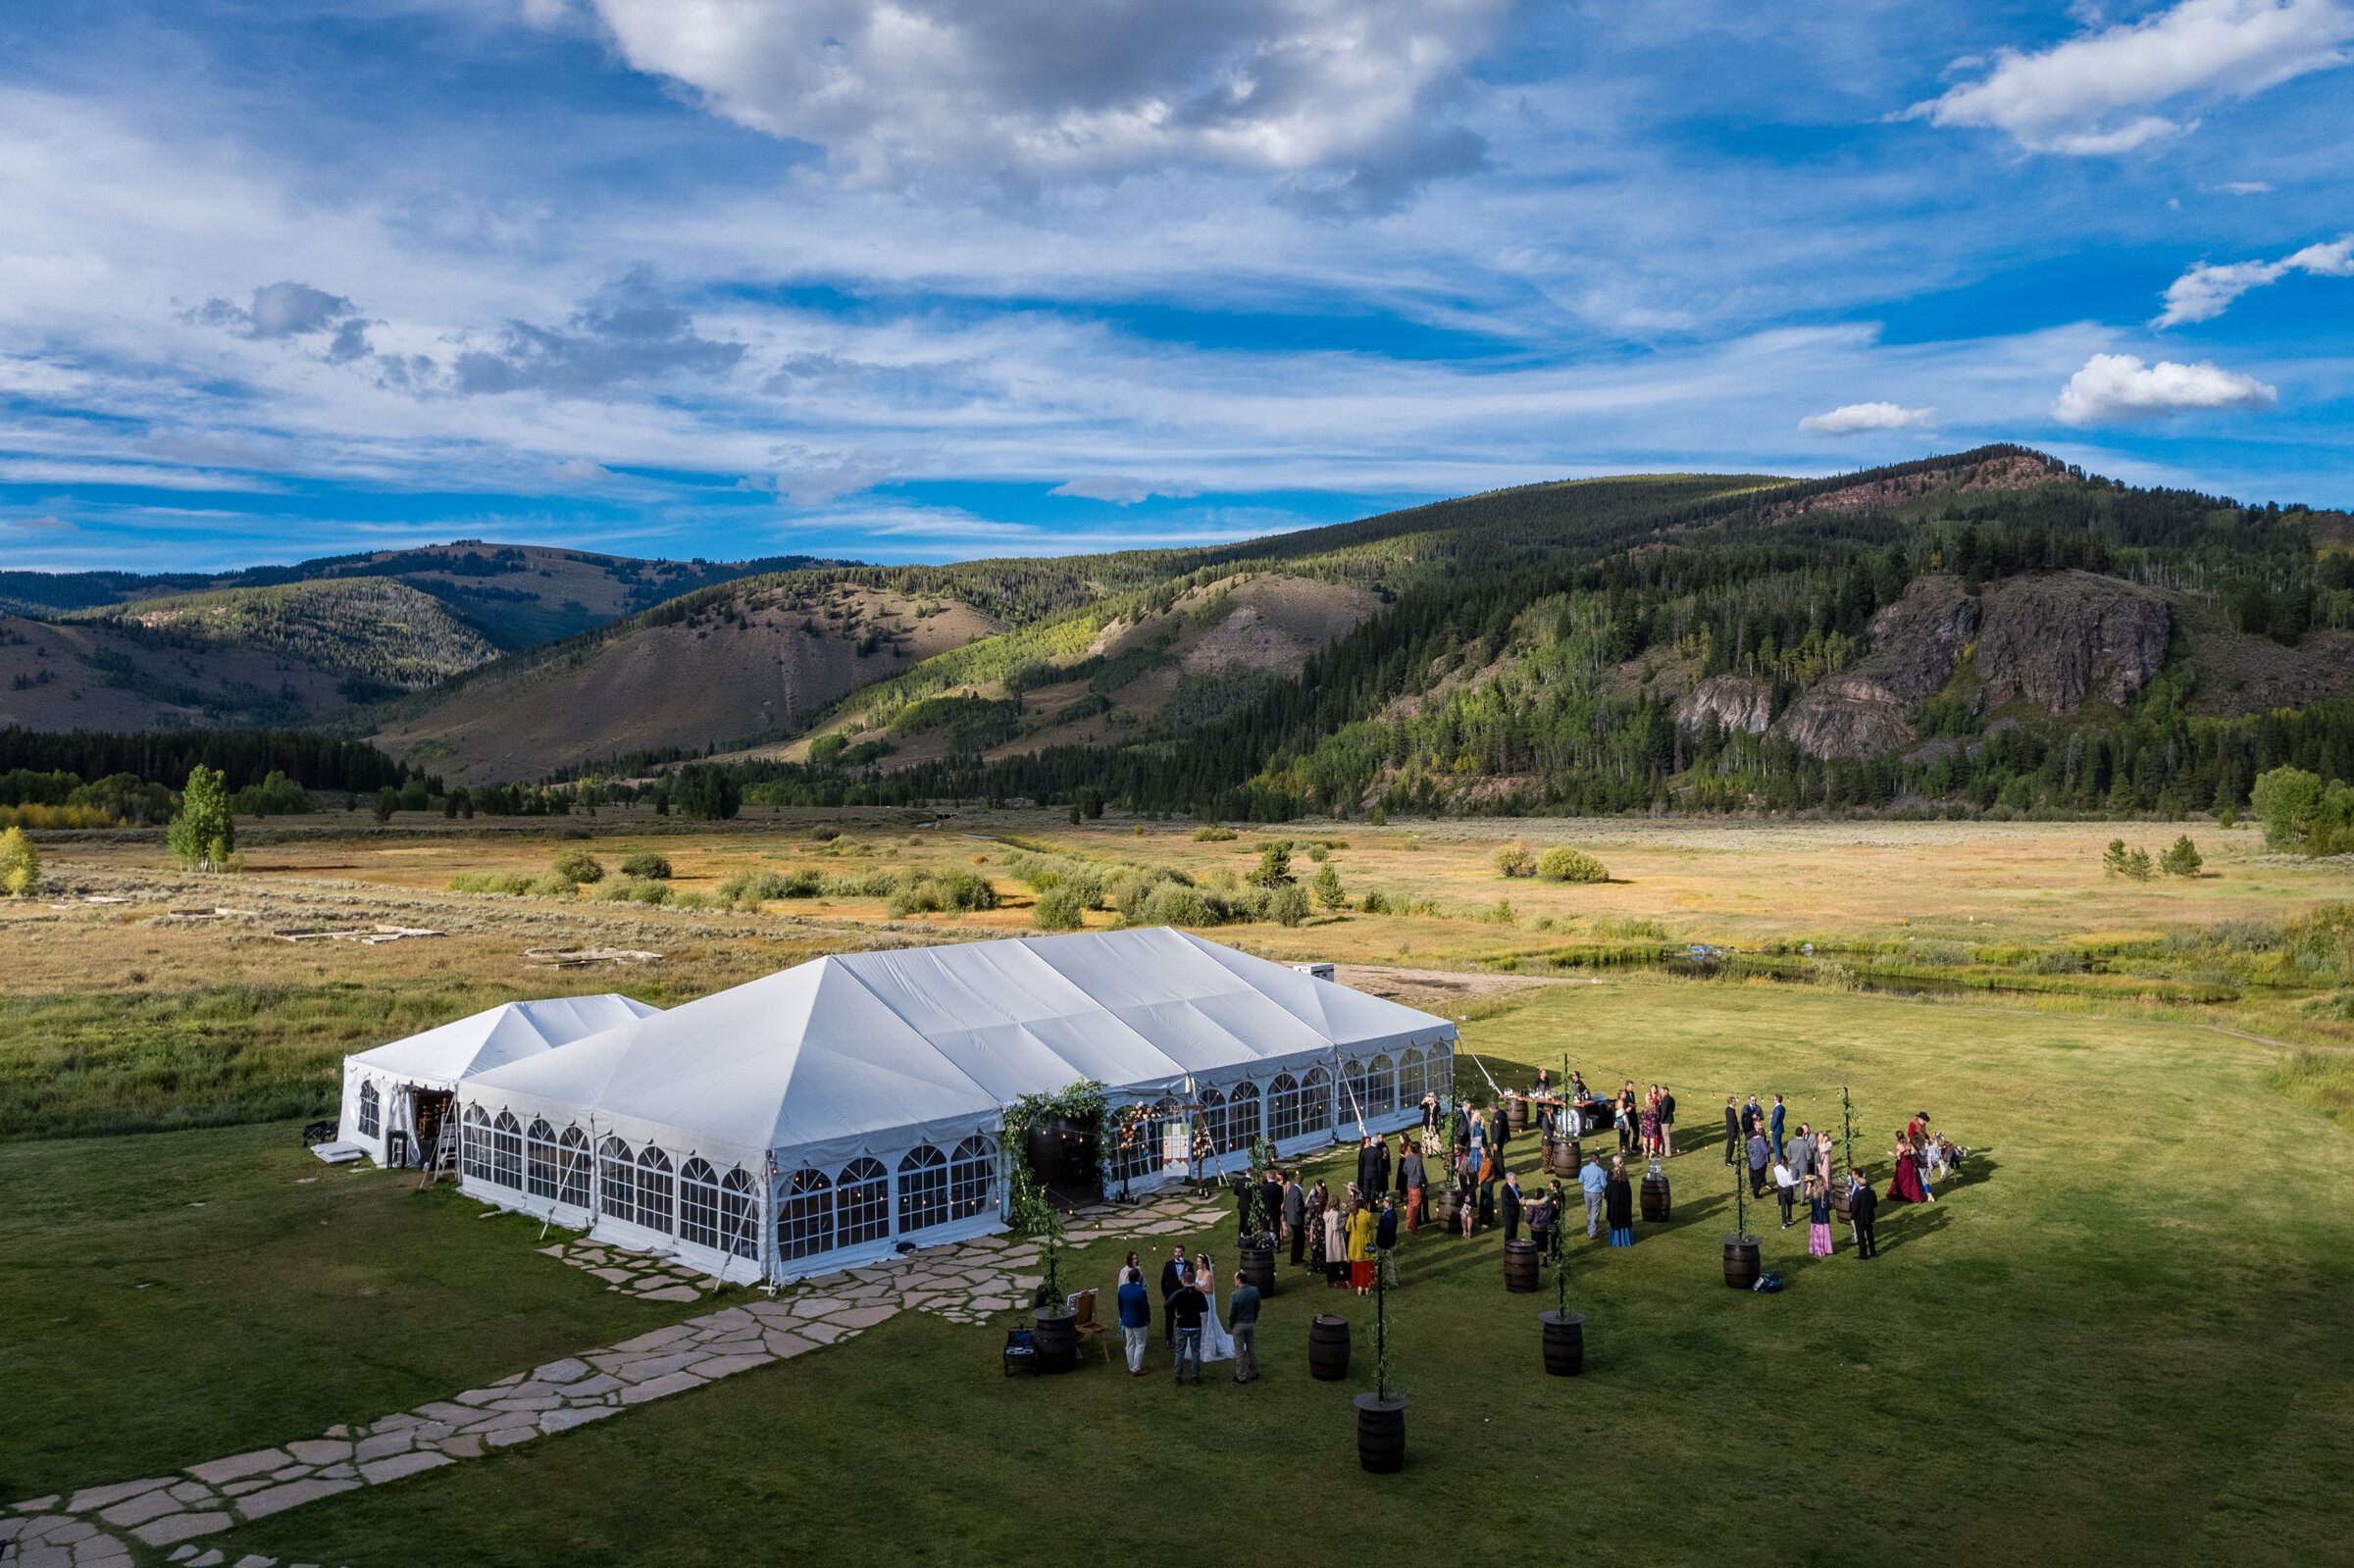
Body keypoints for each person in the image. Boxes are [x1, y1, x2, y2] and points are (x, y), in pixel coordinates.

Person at [1169, 1270, 1208, 1385]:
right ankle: (1195, 1376)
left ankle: (1178, 1376)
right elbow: (1205, 1308)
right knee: (1196, 1351)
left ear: (1184, 1281)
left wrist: (1175, 1313)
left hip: (1182, 1326)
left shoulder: (1179, 1293)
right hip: (1195, 1326)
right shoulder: (1199, 1294)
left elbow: (1167, 1304)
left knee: (1180, 1352)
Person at [1196, 1253, 1236, 1364]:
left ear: (1204, 1263)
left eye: (1199, 1262)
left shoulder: (1208, 1275)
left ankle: (1207, 1348)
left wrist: (1200, 1288)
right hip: (1198, 1301)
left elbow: (1210, 1290)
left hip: (1205, 1300)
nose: (1197, 1263)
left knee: (1206, 1323)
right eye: (1197, 1261)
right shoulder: (1198, 1272)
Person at [1117, 1266, 1152, 1374]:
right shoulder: (1140, 1292)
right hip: (1138, 1321)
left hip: (1127, 1320)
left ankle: (1131, 1366)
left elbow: (1120, 1304)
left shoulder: (1122, 1288)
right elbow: (1145, 1308)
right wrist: (1147, 1319)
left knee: (1130, 1343)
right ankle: (1136, 1368)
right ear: (1138, 1278)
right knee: (1140, 1344)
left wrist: (1122, 1316)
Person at [1227, 1270, 1260, 1383]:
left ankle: (1241, 1376)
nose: (1234, 1281)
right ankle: (1254, 1373)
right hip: (1250, 1324)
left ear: (1239, 1280)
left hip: (1239, 1325)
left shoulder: (1235, 1295)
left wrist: (1231, 1324)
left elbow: (1232, 1313)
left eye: (1235, 1279)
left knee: (1240, 1351)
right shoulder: (1254, 1291)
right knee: (1251, 1349)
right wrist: (1253, 1319)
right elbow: (1257, 1307)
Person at [1885, 1135, 1929, 1203]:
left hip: (1902, 1165)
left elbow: (1898, 1157)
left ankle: (1902, 1195)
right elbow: (1914, 1152)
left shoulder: (1899, 1146)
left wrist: (1891, 1154)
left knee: (1901, 1179)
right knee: (1911, 1180)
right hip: (1909, 1164)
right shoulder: (1909, 1145)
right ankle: (1916, 1197)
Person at [1347, 1200, 1377, 1295]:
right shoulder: (1367, 1215)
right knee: (1368, 1264)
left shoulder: (1352, 1215)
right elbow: (1373, 1226)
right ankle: (1368, 1287)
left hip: (1355, 1243)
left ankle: (1360, 1287)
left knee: (1358, 1265)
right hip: (1367, 1242)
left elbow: (1347, 1228)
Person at [1158, 1245, 1187, 1346]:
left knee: (1182, 1317)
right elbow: (1163, 1282)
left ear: (1183, 1252)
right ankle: (1169, 1339)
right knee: (1169, 1319)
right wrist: (1166, 1295)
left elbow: (1192, 1280)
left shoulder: (1188, 1265)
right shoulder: (1168, 1265)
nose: (1177, 1254)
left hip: (1183, 1296)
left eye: (1179, 1252)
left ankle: (1182, 1338)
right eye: (1175, 1252)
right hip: (1170, 1296)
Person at [1604, 1155, 1634, 1246]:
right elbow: (1608, 1188)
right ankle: (1617, 1240)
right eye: (1621, 1162)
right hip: (1615, 1202)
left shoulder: (1624, 1172)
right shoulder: (1610, 1173)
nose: (1623, 1163)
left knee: (1623, 1219)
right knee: (1616, 1219)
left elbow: (1627, 1188)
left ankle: (1624, 1239)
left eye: (1623, 1161)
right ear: (1616, 1163)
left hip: (1624, 1202)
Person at [1849, 1169, 1879, 1258]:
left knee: (1861, 1236)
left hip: (1860, 1217)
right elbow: (1875, 1204)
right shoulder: (1872, 1192)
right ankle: (1873, 1252)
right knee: (1870, 1235)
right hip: (1869, 1216)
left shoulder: (1858, 1194)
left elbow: (1854, 1207)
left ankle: (1863, 1254)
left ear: (1859, 1185)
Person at [1580, 1151, 1608, 1239]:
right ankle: (1593, 1232)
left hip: (1586, 1193)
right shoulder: (1599, 1171)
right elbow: (1604, 1184)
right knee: (1595, 1213)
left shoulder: (1584, 1168)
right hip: (1596, 1193)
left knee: (1589, 1212)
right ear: (1597, 1161)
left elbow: (1581, 1180)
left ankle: (1590, 1229)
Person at [1376, 1193, 1400, 1288]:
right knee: (1383, 1262)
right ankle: (1386, 1279)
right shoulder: (1386, 1211)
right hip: (1382, 1241)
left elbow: (1387, 1229)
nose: (1383, 1204)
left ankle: (1392, 1281)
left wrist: (1378, 1226)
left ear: (1390, 1204)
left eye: (1385, 1202)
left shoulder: (1391, 1215)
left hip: (1387, 1242)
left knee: (1388, 1262)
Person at [1401, 1140, 1426, 1232]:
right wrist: (1423, 1182)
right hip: (1416, 1185)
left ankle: (1408, 1223)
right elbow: (1420, 1173)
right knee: (1416, 1206)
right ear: (1418, 1149)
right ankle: (1413, 1226)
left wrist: (1410, 1175)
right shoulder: (1418, 1159)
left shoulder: (1408, 1158)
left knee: (1410, 1204)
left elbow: (1404, 1169)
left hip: (1409, 1183)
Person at [1806, 1178, 1834, 1258]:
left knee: (1816, 1233)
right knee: (1824, 1234)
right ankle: (1825, 1249)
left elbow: (1811, 1202)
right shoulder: (1826, 1192)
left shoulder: (1812, 1191)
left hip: (1815, 1216)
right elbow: (1828, 1206)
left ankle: (1814, 1249)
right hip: (1824, 1216)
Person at [1324, 1197, 1350, 1286]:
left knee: (1331, 1258)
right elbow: (1335, 1226)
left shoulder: (1327, 1212)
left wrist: (1343, 1219)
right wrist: (1344, 1222)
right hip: (1335, 1239)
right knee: (1340, 1258)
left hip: (1329, 1238)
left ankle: (1331, 1280)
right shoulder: (1335, 1214)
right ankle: (1342, 1278)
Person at [1285, 1171, 1307, 1267]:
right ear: (1302, 1182)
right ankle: (1295, 1259)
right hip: (1297, 1220)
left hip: (1291, 1218)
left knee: (1298, 1239)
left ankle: (1296, 1259)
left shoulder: (1292, 1189)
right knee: (1298, 1240)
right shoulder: (1298, 1192)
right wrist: (1307, 1208)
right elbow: (1299, 1209)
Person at [1773, 1158, 1798, 1229]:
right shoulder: (1788, 1171)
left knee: (1783, 1207)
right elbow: (1790, 1182)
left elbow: (1775, 1168)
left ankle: (1784, 1222)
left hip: (1780, 1188)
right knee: (1789, 1205)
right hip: (1788, 1189)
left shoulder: (1776, 1169)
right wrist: (1798, 1181)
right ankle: (1789, 1219)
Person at [1748, 1126, 1771, 1198]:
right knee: (1759, 1178)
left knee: (1756, 1177)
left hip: (1753, 1161)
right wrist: (1769, 1146)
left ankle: (1754, 1190)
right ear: (1763, 1134)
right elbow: (1766, 1151)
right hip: (1761, 1162)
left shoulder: (1752, 1139)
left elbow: (1748, 1148)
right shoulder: (1761, 1140)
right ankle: (1756, 1193)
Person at [1501, 1168, 1523, 1242]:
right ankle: (1507, 1247)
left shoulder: (1516, 1186)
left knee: (1514, 1230)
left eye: (1515, 1179)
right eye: (1513, 1179)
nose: (1515, 1181)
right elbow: (1506, 1201)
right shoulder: (1505, 1189)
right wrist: (1518, 1201)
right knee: (1509, 1231)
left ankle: (1514, 1245)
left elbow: (1520, 1194)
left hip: (1516, 1212)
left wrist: (1522, 1198)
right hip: (1509, 1213)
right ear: (1508, 1180)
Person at [1659, 1085, 1676, 1157]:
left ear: (1665, 1092)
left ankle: (1668, 1153)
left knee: (1665, 1136)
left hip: (1665, 1121)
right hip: (1670, 1119)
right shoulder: (1671, 1098)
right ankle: (1661, 1151)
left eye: (1661, 1091)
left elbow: (1664, 1112)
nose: (1660, 1093)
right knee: (1664, 1135)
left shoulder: (1665, 1100)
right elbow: (1673, 1108)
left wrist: (1661, 1120)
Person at [1723, 1096, 1741, 1166]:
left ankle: (1729, 1159)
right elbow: (1733, 1121)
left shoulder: (1731, 1109)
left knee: (1732, 1145)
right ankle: (1728, 1160)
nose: (1735, 1102)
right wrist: (1737, 1128)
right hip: (1732, 1131)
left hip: (1732, 1130)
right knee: (1730, 1146)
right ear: (1731, 1102)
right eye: (1734, 1101)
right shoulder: (1729, 1110)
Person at [1769, 1093, 1787, 1161]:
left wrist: (1771, 1129)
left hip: (1776, 1129)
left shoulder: (1777, 1109)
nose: (1773, 1100)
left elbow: (1775, 1121)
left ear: (1777, 1100)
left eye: (1774, 1099)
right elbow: (1779, 1117)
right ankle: (1782, 1159)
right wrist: (1773, 1116)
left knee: (1776, 1146)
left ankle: (1778, 1161)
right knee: (1779, 1145)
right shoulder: (1782, 1108)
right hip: (1780, 1128)